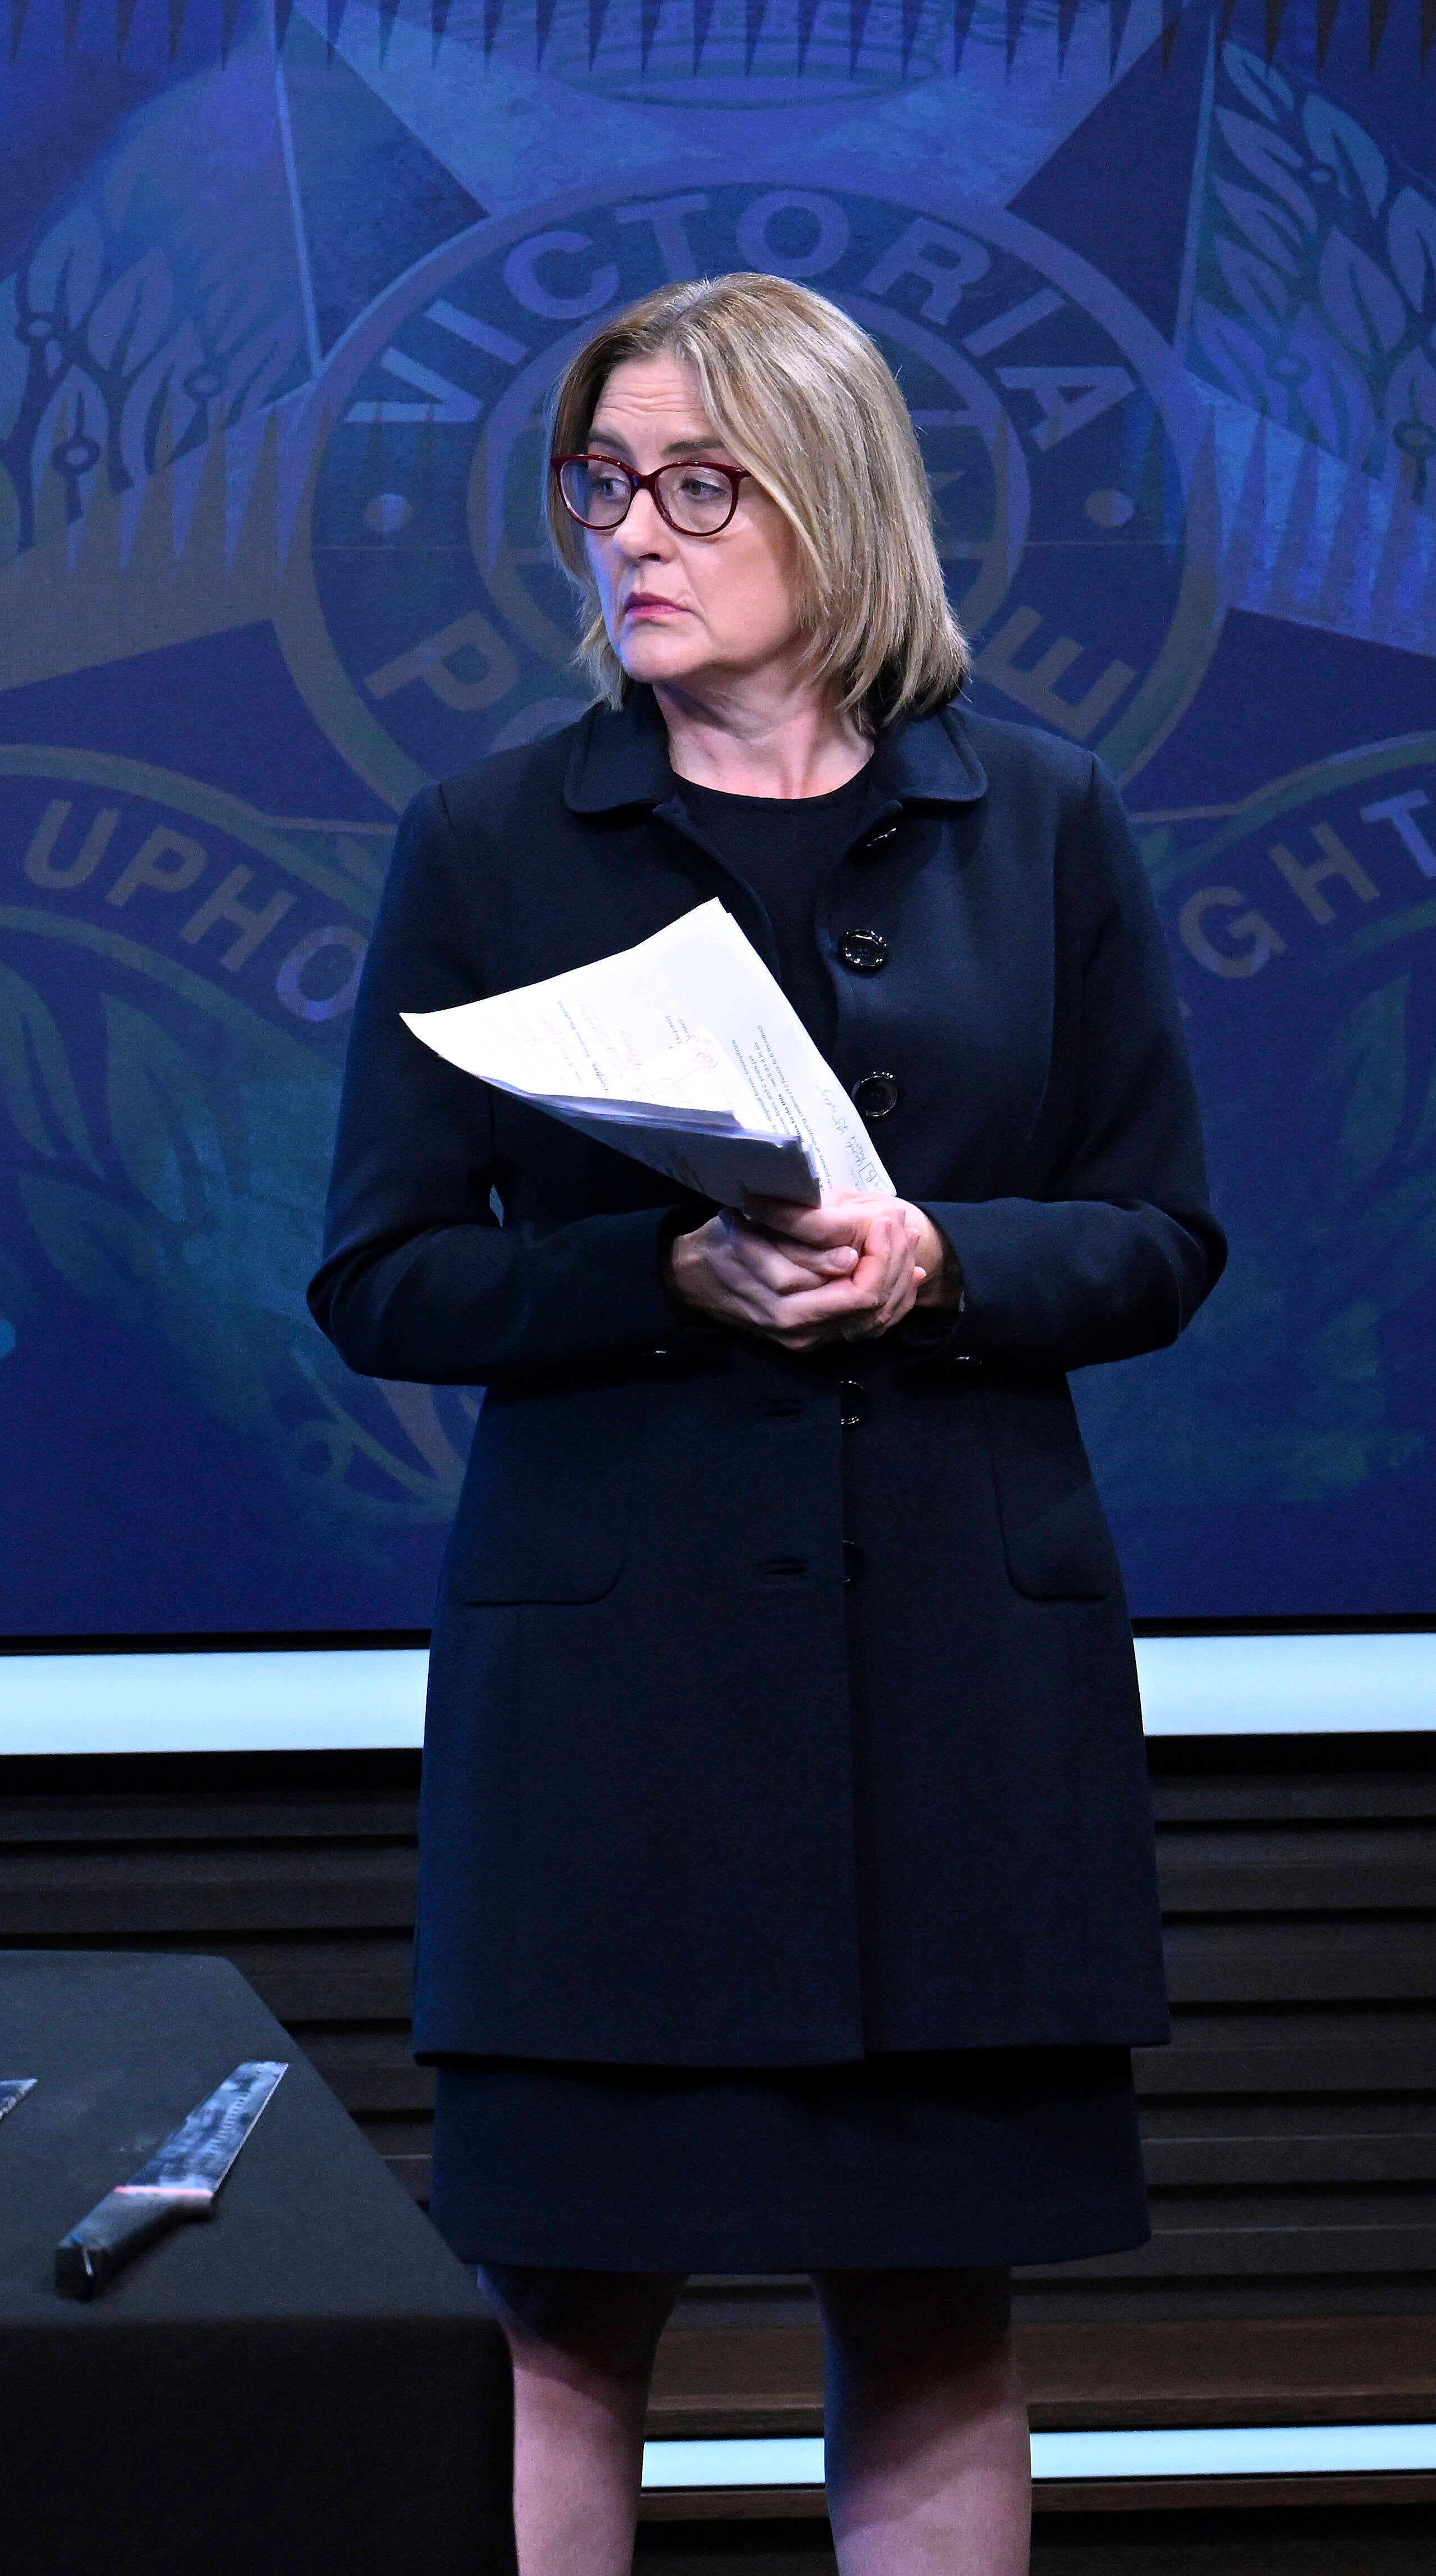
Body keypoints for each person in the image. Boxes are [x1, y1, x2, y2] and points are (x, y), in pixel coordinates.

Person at [305, 272, 1223, 2575]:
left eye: (694, 487)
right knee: (556, 2311)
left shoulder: (1039, 818)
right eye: (599, 485)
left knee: (932, 2310)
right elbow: (383, 1275)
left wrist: (934, 1259)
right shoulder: (489, 838)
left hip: (953, 1696)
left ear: (832, 498)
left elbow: (1156, 1234)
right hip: (615, 1715)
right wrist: (660, 1273)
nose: (629, 533)